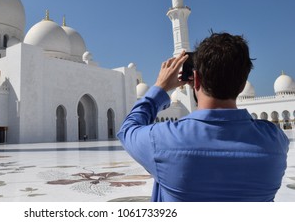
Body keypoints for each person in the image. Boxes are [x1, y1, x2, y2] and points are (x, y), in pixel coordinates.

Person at [117, 32, 289, 202]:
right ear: (243, 84)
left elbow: (128, 129)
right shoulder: (275, 141)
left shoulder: (163, 140)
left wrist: (160, 87)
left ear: (196, 79)